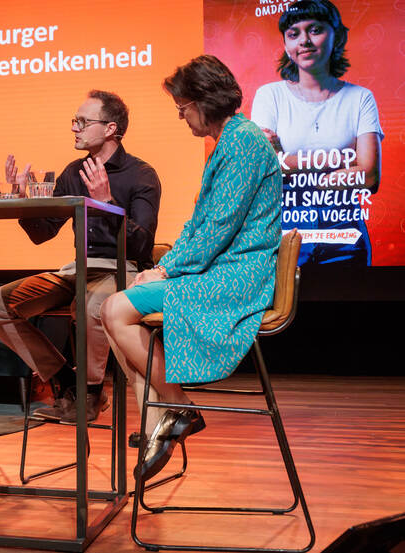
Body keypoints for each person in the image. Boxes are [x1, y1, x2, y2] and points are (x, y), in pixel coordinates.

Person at [101, 55, 282, 481]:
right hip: (220, 269)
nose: (181, 115)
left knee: (114, 310)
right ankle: (164, 420)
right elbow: (200, 224)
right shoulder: (231, 141)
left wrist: (165, 271)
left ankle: (179, 409)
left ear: (204, 101)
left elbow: (218, 227)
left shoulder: (243, 142)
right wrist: (167, 265)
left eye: (183, 107)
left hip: (236, 278)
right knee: (113, 312)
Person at [0, 90, 161, 424]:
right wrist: (23, 199)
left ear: (110, 129)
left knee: (93, 305)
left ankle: (90, 393)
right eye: (74, 121)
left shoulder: (141, 174)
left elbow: (141, 246)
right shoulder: (73, 172)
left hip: (121, 269)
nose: (75, 128)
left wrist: (106, 203)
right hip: (76, 271)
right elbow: (43, 233)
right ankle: (65, 382)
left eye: (83, 122)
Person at [250, 0, 383, 266]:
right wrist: (342, 160)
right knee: (288, 308)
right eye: (294, 34)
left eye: (315, 30)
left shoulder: (360, 98)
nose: (304, 41)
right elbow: (265, 168)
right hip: (285, 234)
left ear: (337, 36)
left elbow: (368, 176)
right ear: (286, 46)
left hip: (344, 235)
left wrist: (289, 164)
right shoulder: (269, 96)